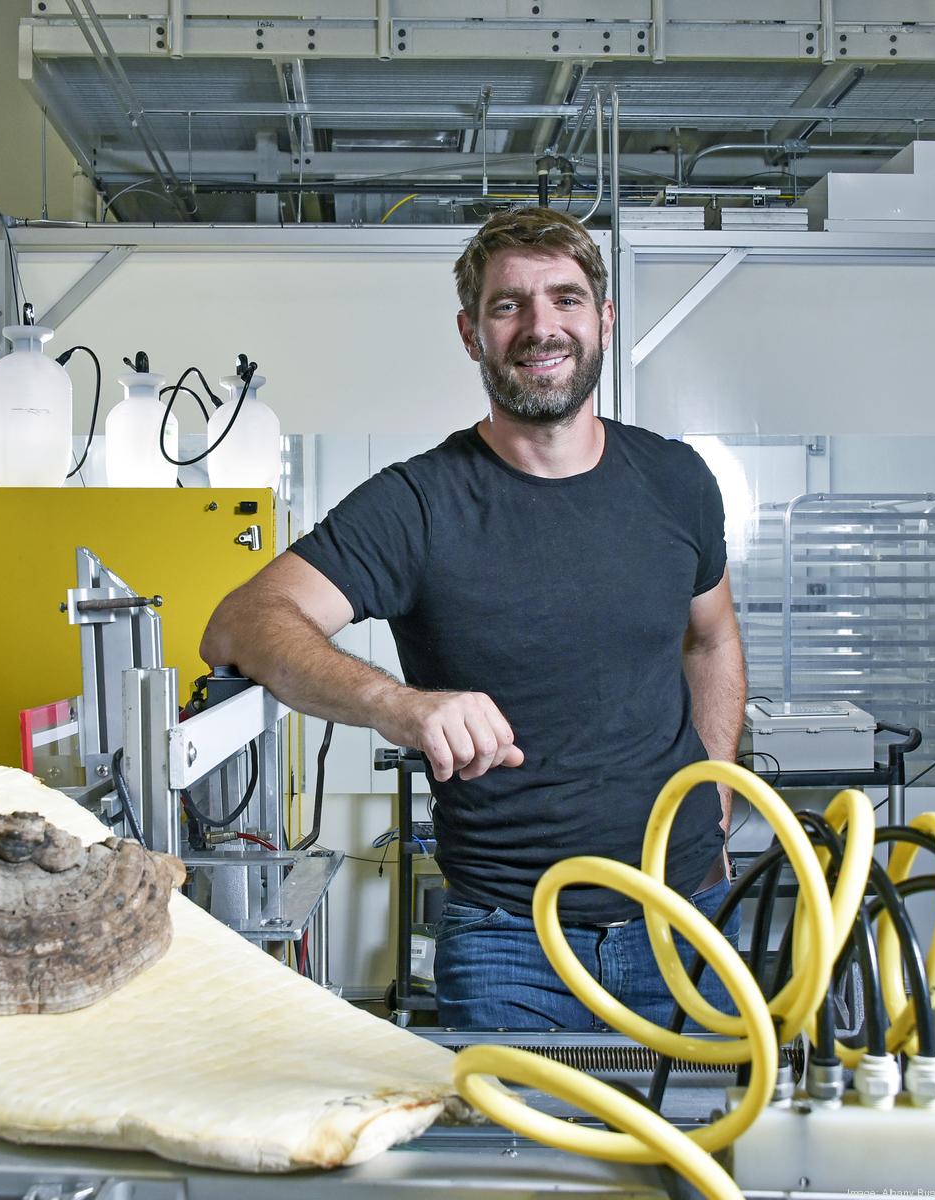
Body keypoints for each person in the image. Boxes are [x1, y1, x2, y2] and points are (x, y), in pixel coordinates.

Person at [200, 205, 746, 1030]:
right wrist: (395, 704)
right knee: (510, 1126)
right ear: (471, 333)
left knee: (713, 1121)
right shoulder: (417, 505)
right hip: (510, 945)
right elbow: (243, 621)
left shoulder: (677, 480)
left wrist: (716, 788)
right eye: (509, 305)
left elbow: (712, 638)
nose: (541, 327)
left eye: (566, 299)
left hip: (690, 917)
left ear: (603, 319)